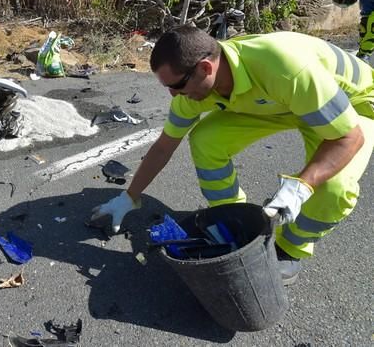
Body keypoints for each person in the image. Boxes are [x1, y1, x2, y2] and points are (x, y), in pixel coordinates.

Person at [90, 26, 374, 285]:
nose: (173, 96)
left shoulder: (285, 68)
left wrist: (302, 186)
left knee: (333, 187)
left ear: (204, 68)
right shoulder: (194, 88)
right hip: (278, 104)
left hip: (351, 101)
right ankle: (237, 220)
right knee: (205, 139)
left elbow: (348, 138)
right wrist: (130, 196)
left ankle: (290, 249)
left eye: (176, 86)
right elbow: (164, 145)